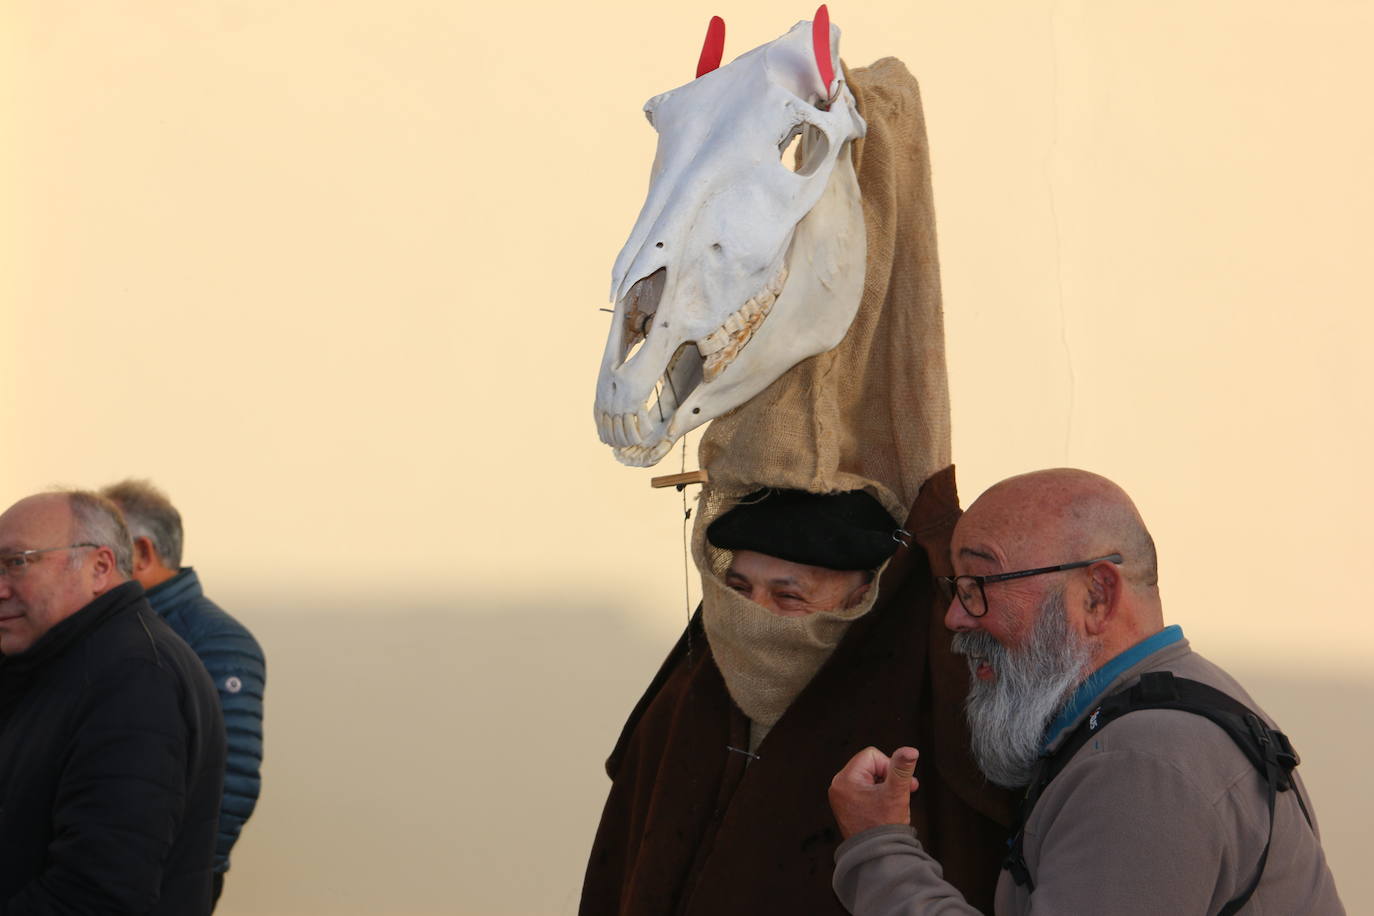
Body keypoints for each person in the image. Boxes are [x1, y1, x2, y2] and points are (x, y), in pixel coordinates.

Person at [828, 468, 1344, 914]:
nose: (955, 617)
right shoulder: (1162, 711)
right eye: (956, 589)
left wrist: (879, 849)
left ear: (1097, 594)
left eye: (979, 587)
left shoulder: (1144, 760)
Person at [580, 482, 1012, 915]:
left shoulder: (918, 715)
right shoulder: (691, 693)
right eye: (741, 589)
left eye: (788, 596)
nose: (756, 614)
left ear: (860, 598)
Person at [0, 490, 226, 914]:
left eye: (17, 562)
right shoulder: (55, 661)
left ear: (99, 568)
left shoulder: (136, 678)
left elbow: (97, 892)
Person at [102, 479, 265, 903]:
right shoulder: (114, 631)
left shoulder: (217, 639)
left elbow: (232, 782)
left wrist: (182, 879)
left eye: (101, 549)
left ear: (141, 553)